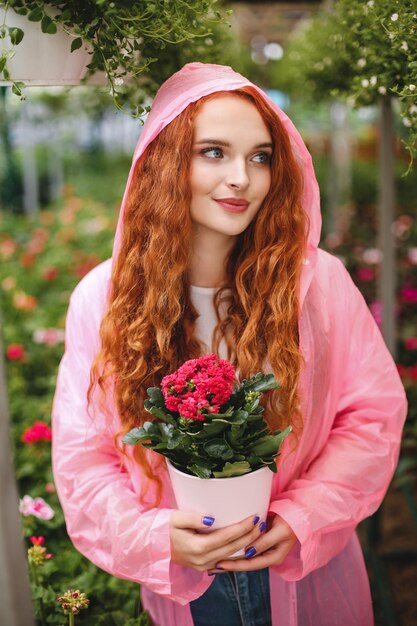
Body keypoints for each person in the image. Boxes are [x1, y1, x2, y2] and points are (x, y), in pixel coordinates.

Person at [52, 62, 407, 626]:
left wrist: (304, 518)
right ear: (167, 163)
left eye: (260, 156)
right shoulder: (105, 297)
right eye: (213, 152)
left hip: (304, 573)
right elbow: (84, 457)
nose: (241, 176)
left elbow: (371, 416)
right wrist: (153, 536)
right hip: (183, 583)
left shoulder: (315, 286)